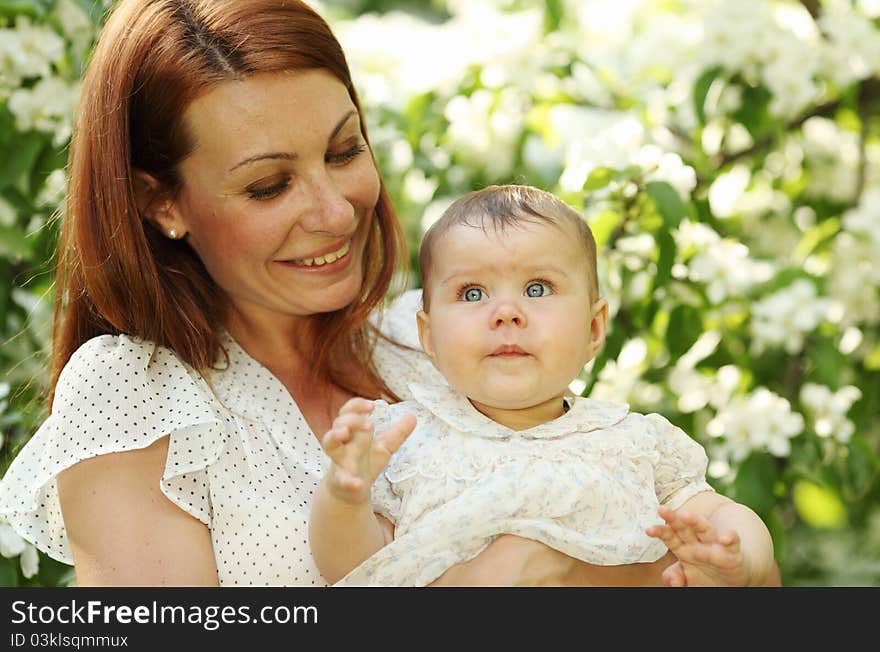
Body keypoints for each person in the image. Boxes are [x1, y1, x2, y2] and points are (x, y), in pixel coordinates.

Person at [0, 0, 728, 587]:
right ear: (162, 203)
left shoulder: (441, 343)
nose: (335, 210)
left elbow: (681, 547)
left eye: (344, 150)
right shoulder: (135, 396)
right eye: (268, 184)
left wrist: (566, 568)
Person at [310, 184, 779, 587]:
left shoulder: (636, 442)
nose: (507, 311)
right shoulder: (406, 439)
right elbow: (358, 571)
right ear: (428, 337)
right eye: (472, 293)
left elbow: (721, 514)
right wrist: (345, 497)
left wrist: (736, 560)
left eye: (537, 288)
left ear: (594, 329)